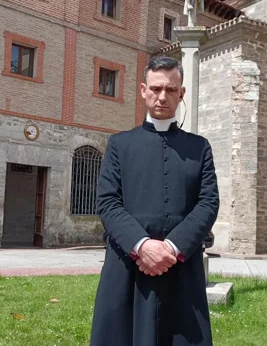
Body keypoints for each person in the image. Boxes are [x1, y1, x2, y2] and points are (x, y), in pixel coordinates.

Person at [89, 56, 219, 346]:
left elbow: (208, 203)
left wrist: (171, 248)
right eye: (156, 88)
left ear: (181, 93)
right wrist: (142, 246)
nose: (163, 96)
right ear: (143, 90)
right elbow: (108, 202)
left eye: (171, 90)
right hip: (127, 267)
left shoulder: (199, 148)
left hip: (181, 270)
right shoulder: (119, 145)